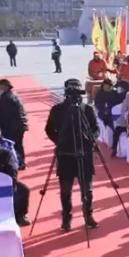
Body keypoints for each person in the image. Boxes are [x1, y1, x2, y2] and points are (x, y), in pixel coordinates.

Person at [45, 79, 100, 231]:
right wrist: (59, 141)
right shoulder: (57, 110)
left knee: (87, 190)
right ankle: (66, 218)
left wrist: (91, 141)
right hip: (65, 154)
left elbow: (96, 129)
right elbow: (49, 129)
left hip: (85, 153)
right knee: (65, 190)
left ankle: (88, 216)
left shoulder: (87, 110)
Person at [0, 79, 28, 170]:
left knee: (13, 145)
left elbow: (5, 114)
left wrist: (0, 125)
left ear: (6, 86)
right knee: (18, 145)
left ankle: (18, 163)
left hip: (12, 126)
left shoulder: (6, 98)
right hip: (18, 125)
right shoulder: (12, 95)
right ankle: (20, 163)